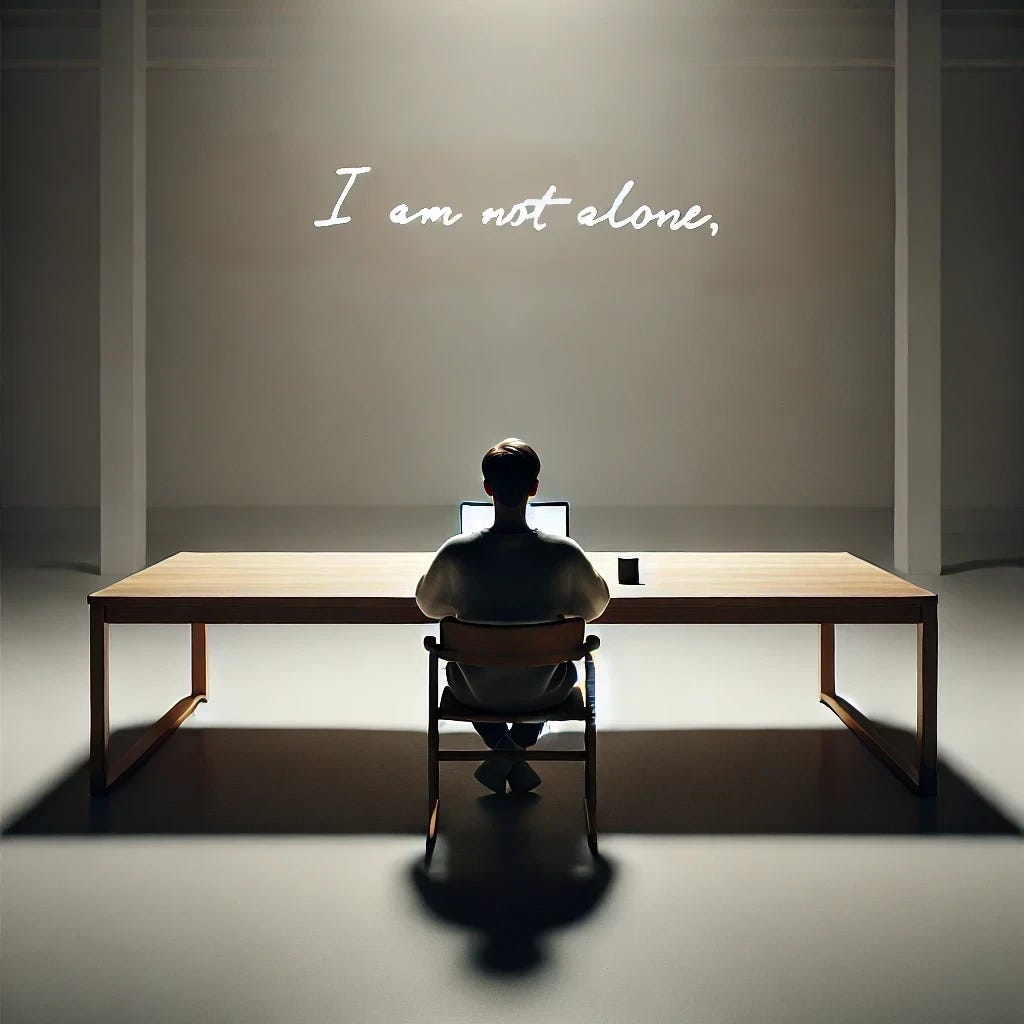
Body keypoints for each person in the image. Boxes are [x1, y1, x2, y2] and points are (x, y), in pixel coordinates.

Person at [415, 438, 610, 795]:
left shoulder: (457, 552)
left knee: (460, 671)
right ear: (534, 488)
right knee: (558, 670)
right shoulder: (564, 554)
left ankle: (504, 752)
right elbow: (595, 608)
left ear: (487, 487)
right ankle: (513, 751)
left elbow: (429, 607)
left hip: (475, 693)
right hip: (544, 693)